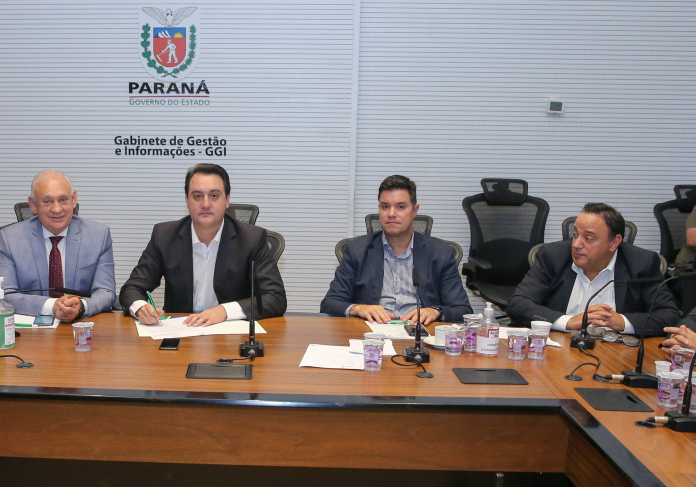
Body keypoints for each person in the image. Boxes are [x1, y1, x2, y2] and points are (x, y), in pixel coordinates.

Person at [119, 163, 286, 326]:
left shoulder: (252, 239)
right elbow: (132, 288)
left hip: (230, 333)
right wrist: (140, 307)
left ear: (227, 200)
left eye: (214, 195)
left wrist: (224, 311)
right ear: (187, 200)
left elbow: (275, 298)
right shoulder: (164, 236)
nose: (205, 204)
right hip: (181, 331)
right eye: (197, 196)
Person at [508, 202, 680, 336]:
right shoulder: (553, 256)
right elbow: (519, 304)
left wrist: (623, 322)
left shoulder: (641, 263)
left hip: (617, 355)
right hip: (559, 350)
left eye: (588, 238)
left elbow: (668, 315)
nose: (576, 244)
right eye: (575, 235)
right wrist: (568, 321)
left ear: (614, 242)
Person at [320, 175, 471, 324]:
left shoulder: (441, 253)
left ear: (414, 211)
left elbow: (462, 310)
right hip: (372, 335)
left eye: (400, 207)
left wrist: (436, 311)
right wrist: (358, 308)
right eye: (385, 206)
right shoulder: (357, 250)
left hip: (419, 334)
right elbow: (330, 304)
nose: (391, 214)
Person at [0, 170, 115, 322]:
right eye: (47, 201)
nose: (57, 209)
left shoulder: (99, 235)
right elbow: (4, 295)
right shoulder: (10, 238)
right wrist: (51, 305)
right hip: (31, 330)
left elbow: (106, 291)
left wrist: (82, 306)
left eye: (63, 200)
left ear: (74, 200)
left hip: (81, 325)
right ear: (33, 205)